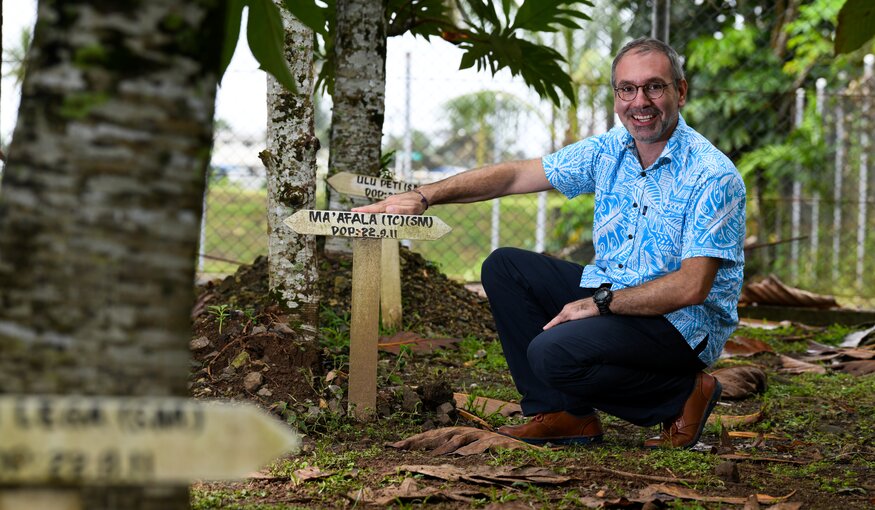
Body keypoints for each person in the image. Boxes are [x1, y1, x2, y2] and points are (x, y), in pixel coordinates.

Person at [354, 37, 746, 449]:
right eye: (627, 89)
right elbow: (514, 176)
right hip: (616, 290)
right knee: (505, 267)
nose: (640, 101)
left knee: (551, 353)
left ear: (680, 91)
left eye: (654, 86)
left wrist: (598, 304)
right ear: (616, 96)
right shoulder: (610, 150)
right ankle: (564, 414)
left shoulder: (711, 174)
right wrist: (424, 196)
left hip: (680, 325)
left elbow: (690, 287)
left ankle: (680, 397)